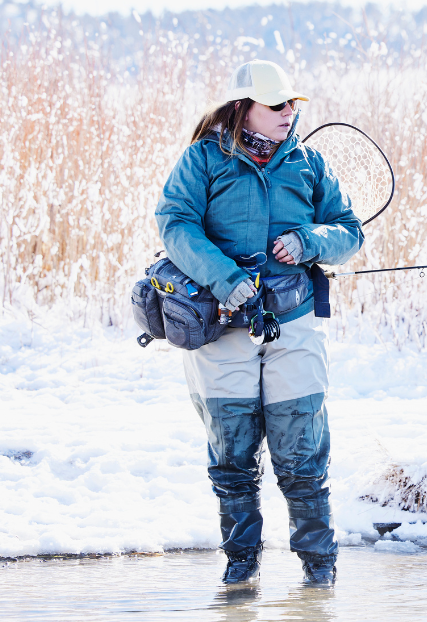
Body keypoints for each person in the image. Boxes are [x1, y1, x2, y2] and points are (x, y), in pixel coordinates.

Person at [155, 59, 364, 587]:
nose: (288, 113)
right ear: (242, 109)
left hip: (293, 324)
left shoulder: (309, 164)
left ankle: (319, 575)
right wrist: (225, 278)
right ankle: (240, 572)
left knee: (303, 457)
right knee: (232, 457)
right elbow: (174, 224)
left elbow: (349, 232)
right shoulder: (202, 160)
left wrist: (309, 242)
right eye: (276, 104)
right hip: (222, 329)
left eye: (292, 103)